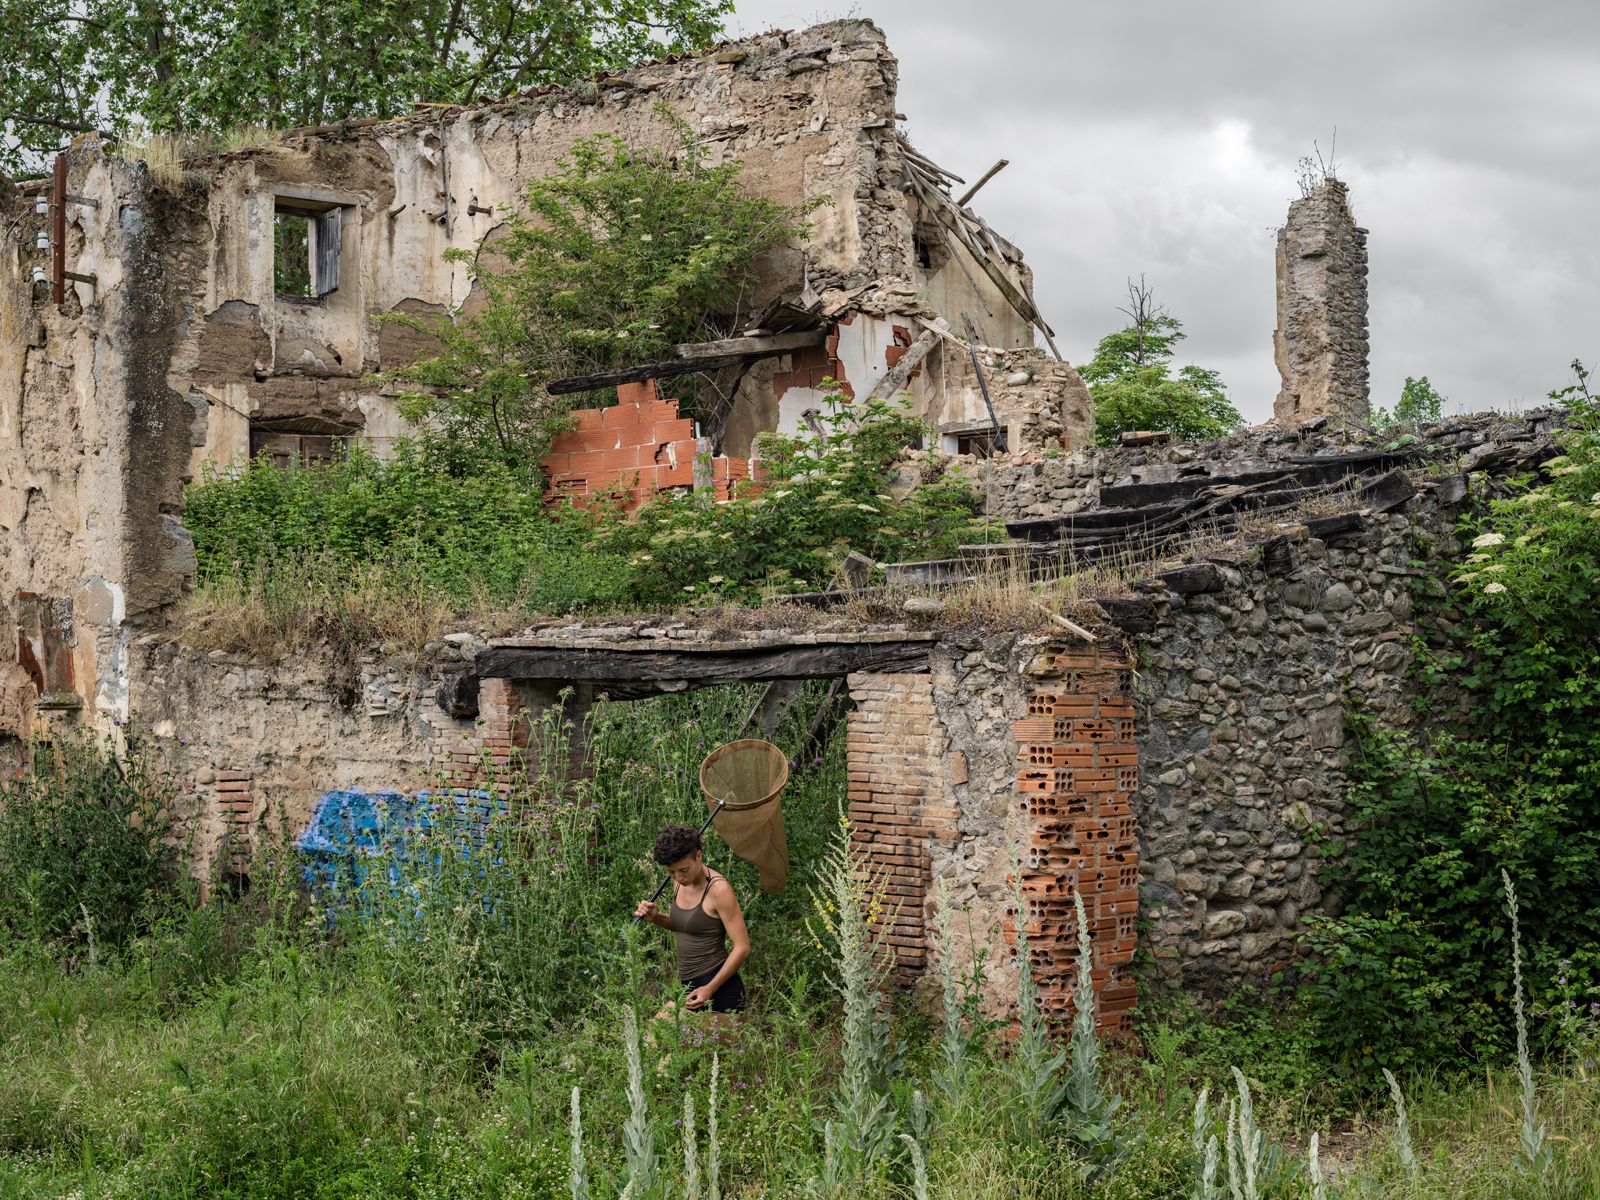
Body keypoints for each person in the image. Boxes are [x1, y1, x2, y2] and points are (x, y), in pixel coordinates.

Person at [634, 823, 750, 1013]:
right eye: (671, 872)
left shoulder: (718, 890)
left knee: (658, 1033)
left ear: (699, 855)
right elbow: (686, 926)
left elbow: (743, 947)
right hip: (689, 988)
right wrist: (656, 917)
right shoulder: (679, 883)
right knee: (659, 1037)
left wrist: (709, 988)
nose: (678, 877)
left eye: (683, 870)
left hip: (719, 991)